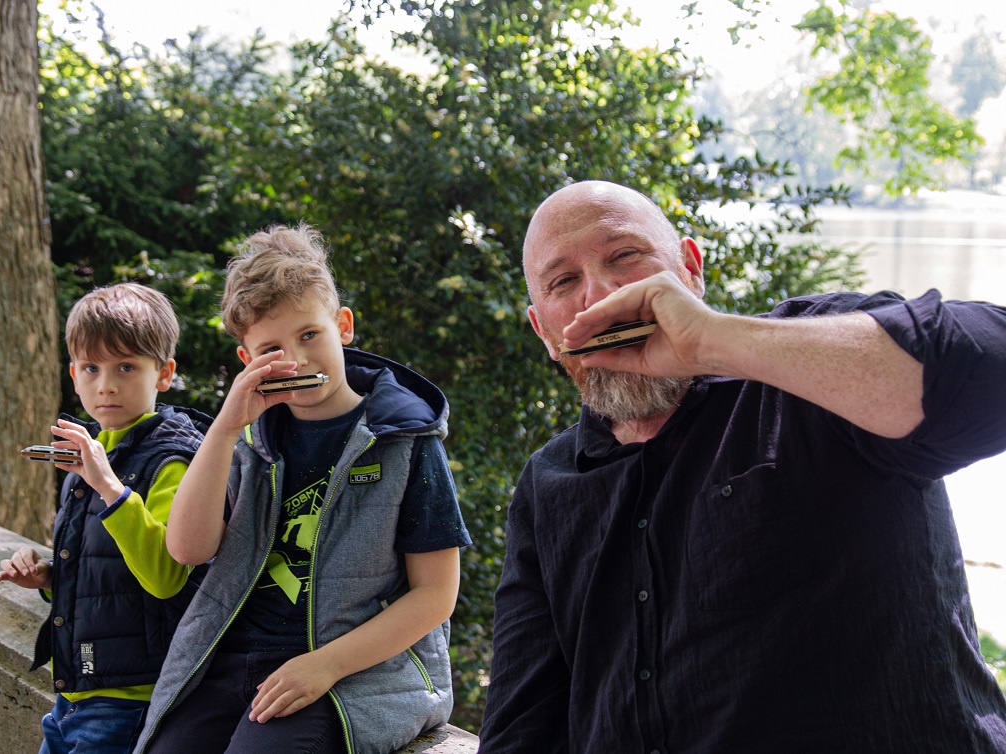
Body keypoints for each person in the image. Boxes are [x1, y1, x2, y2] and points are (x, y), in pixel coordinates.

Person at [478, 180, 1006, 753]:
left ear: (690, 269)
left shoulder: (807, 376)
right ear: (545, 333)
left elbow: (990, 375)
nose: (598, 295)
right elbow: (522, 724)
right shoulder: (549, 482)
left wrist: (710, 340)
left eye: (625, 256)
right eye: (564, 281)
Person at [131, 224, 471, 754]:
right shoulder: (244, 437)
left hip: (353, 674)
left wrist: (325, 665)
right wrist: (222, 429)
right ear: (248, 361)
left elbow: (435, 595)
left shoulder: (405, 438)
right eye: (272, 348)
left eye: (310, 335)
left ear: (343, 326)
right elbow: (187, 549)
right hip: (231, 657)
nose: (299, 360)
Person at [0, 282, 212, 754]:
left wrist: (109, 486)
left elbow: (165, 575)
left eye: (126, 367)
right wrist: (47, 576)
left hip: (131, 698)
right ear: (73, 374)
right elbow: (105, 567)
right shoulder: (86, 458)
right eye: (91, 368)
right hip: (71, 695)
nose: (106, 384)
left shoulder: (174, 459)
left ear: (165, 373)